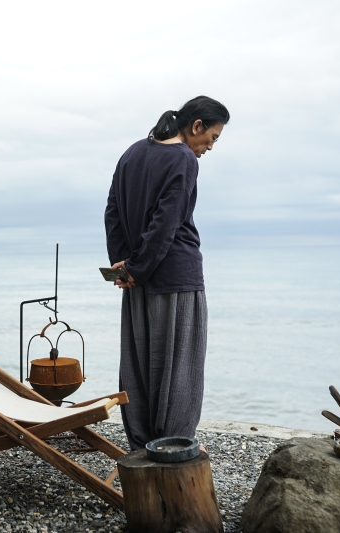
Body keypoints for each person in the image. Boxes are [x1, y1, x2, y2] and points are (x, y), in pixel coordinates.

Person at [104, 95, 230, 451]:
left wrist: (124, 267)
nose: (210, 146)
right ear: (196, 127)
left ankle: (143, 447)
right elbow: (167, 223)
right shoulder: (183, 158)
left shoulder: (131, 153)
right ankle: (174, 448)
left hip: (136, 279)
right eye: (213, 137)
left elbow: (112, 212)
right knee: (180, 370)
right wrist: (138, 268)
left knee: (140, 366)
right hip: (175, 275)